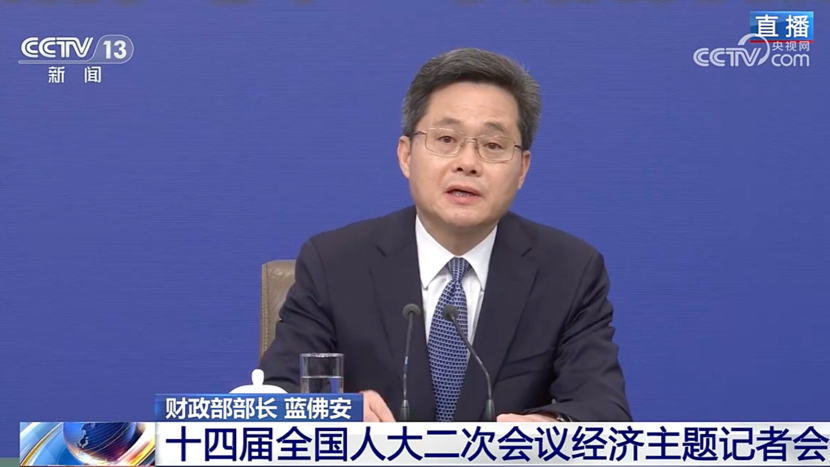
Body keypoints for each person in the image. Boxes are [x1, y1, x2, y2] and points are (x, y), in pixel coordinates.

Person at [259, 47, 631, 423]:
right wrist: (342, 413)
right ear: (406, 155)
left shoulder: (568, 272)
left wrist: (551, 426)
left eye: (493, 145)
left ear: (522, 169)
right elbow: (274, 397)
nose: (467, 163)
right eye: (446, 139)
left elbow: (603, 408)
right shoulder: (334, 264)